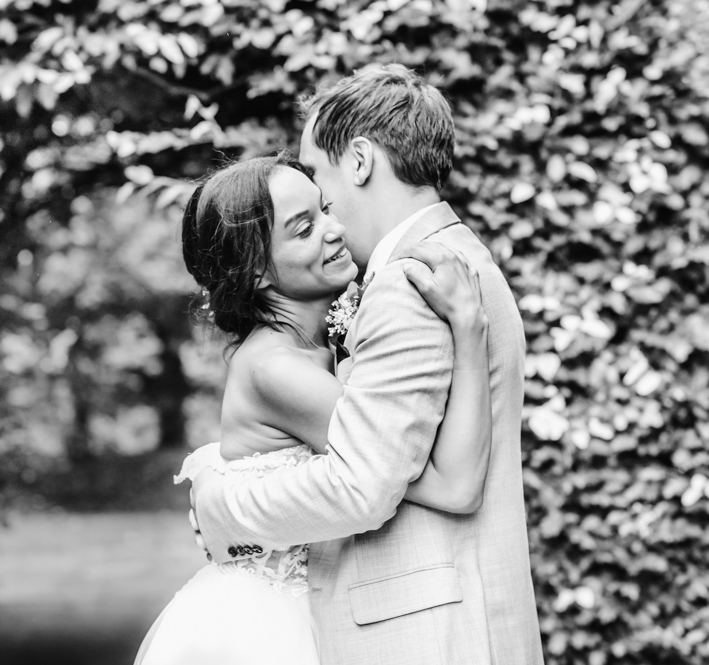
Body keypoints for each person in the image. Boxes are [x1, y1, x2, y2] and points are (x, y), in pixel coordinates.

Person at [190, 64, 544, 664]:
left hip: (430, 630)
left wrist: (220, 503)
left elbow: (370, 482)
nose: (330, 225)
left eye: (322, 194)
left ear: (358, 161)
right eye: (308, 220)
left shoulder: (412, 281)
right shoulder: (440, 263)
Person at [134, 151, 493, 665]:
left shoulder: (312, 345)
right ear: (256, 271)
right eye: (304, 229)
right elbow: (452, 485)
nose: (334, 229)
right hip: (266, 626)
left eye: (326, 209)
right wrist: (469, 330)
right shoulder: (278, 370)